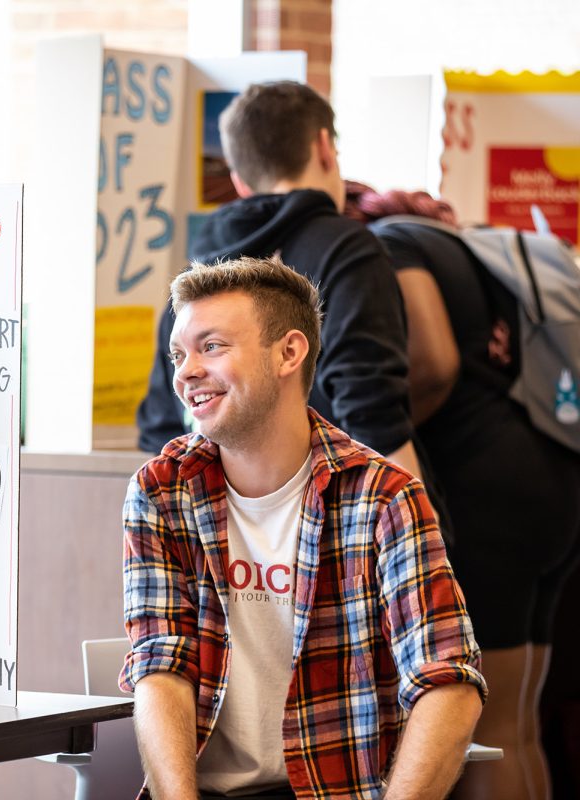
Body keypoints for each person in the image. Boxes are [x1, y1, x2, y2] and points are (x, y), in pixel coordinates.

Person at [121, 256, 486, 800]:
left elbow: (449, 682)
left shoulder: (383, 496)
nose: (186, 371)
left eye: (212, 346)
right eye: (179, 353)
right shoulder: (161, 490)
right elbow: (161, 666)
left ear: (289, 352)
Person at [344, 182, 580, 800]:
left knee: (488, 729)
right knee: (521, 723)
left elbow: (436, 364)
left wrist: (384, 436)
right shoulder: (471, 246)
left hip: (488, 501)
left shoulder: (389, 247)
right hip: (550, 480)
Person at [136, 81, 428, 491]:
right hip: (334, 519)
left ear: (239, 181)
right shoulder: (347, 250)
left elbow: (160, 427)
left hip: (213, 523)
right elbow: (373, 415)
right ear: (324, 147)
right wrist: (415, 530)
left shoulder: (194, 273)